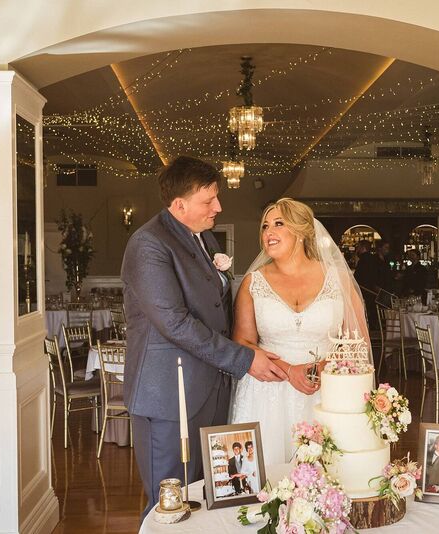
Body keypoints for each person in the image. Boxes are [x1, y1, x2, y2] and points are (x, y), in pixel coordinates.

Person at [121, 156, 287, 519]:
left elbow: (215, 306)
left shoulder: (203, 237)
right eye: (208, 200)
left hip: (209, 388)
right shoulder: (148, 245)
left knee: (205, 501)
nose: (219, 207)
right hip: (168, 397)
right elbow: (176, 323)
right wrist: (244, 360)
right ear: (179, 205)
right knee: (171, 505)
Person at [231, 198, 370, 464]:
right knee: (269, 479)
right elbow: (243, 341)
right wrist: (289, 370)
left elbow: (358, 343)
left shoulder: (337, 278)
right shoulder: (253, 282)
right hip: (267, 391)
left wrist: (323, 368)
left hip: (326, 389)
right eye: (264, 226)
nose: (268, 233)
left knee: (328, 474)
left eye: (279, 224)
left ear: (302, 231)